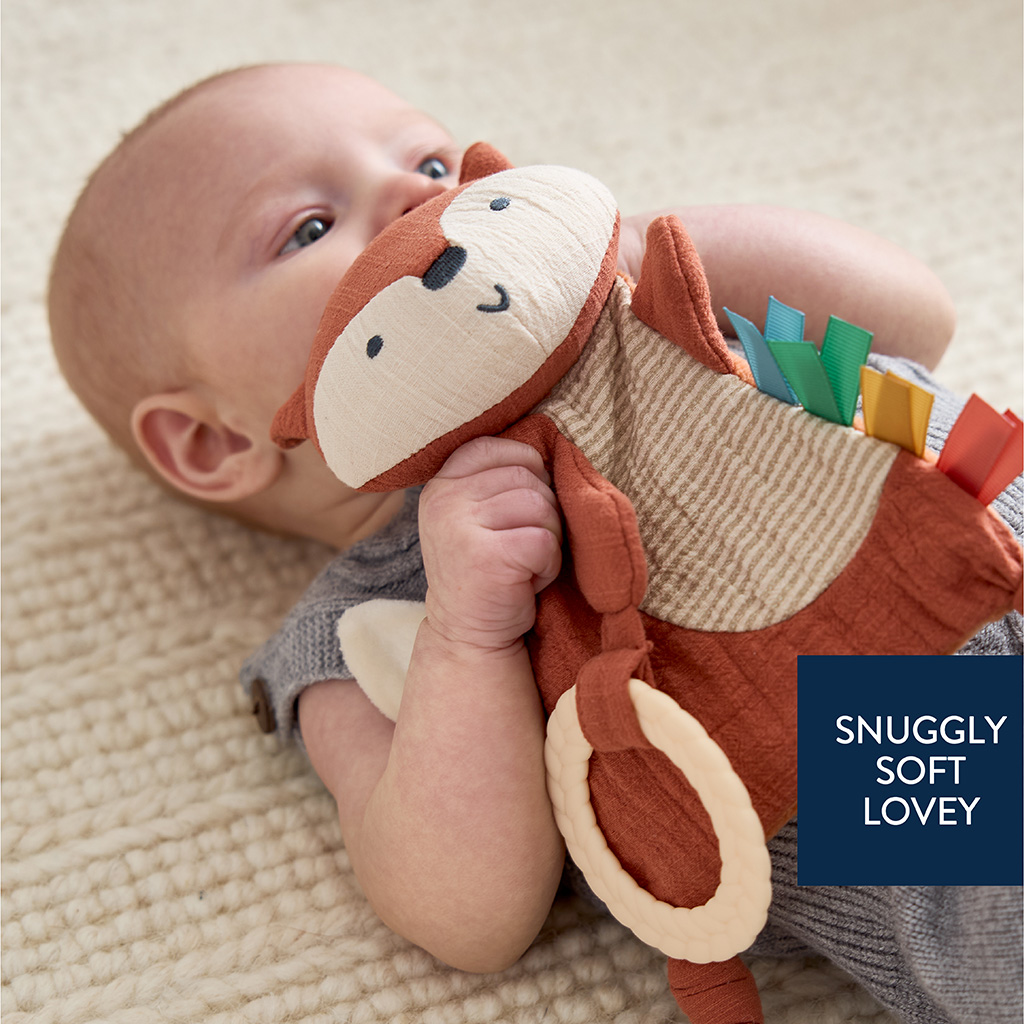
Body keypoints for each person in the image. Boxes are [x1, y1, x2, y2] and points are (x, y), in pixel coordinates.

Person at [48, 62, 1021, 1023]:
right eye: (309, 225)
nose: (414, 196)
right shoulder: (366, 625)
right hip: (926, 779)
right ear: (214, 441)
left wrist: (637, 242)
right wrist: (467, 636)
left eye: (430, 162)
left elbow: (911, 318)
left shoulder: (662, 311)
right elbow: (466, 913)